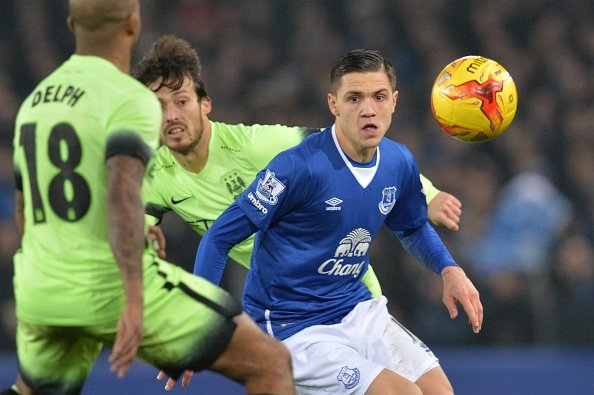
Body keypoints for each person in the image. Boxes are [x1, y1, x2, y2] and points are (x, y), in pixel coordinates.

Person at [4, 1, 294, 394]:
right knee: (270, 363)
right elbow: (124, 192)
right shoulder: (126, 96)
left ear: (72, 24)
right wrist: (135, 301)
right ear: (132, 22)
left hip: (43, 282)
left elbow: (24, 210)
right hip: (107, 282)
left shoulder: (36, 103)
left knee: (32, 390)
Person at [193, 49, 483, 394]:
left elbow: (412, 226)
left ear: (394, 101)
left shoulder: (398, 162)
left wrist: (449, 269)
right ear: (334, 104)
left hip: (356, 308)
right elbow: (219, 238)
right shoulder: (296, 168)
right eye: (354, 98)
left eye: (378, 97)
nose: (367, 110)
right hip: (292, 327)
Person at [133, 35, 462, 300]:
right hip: (289, 309)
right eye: (159, 107)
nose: (172, 116)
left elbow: (345, 142)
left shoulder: (254, 145)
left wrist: (427, 193)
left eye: (181, 101)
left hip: (352, 292)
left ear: (205, 105)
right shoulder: (154, 178)